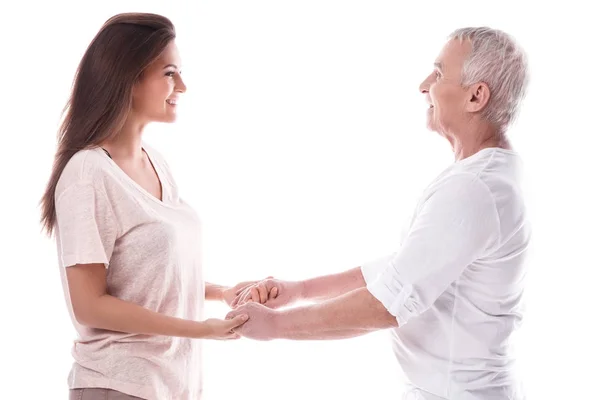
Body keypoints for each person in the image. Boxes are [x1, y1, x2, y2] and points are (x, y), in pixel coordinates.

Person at [228, 27, 531, 400]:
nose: (424, 86)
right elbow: (402, 269)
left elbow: (387, 304)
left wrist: (275, 326)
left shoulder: (473, 189)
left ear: (476, 96)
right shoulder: (485, 180)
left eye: (437, 74)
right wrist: (300, 291)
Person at [39, 13, 263, 400]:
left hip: (172, 385)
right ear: (129, 79)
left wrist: (223, 292)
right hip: (118, 385)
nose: (183, 86)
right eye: (170, 73)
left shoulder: (155, 162)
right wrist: (201, 329)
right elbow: (90, 306)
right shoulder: (88, 174)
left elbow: (151, 280)